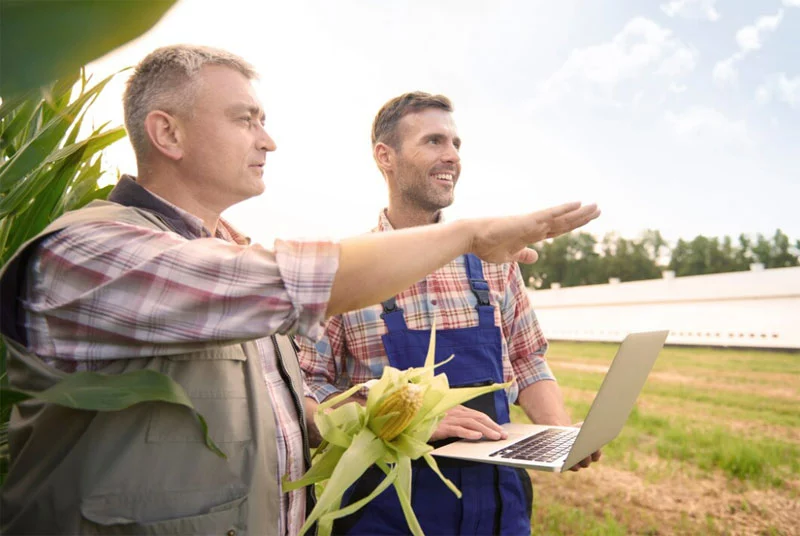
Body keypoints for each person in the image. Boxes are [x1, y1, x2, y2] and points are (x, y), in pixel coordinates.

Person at [0, 46, 599, 535]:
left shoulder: (227, 252)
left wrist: (361, 414)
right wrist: (469, 235)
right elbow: (291, 285)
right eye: (245, 119)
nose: (269, 141)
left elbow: (286, 413)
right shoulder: (90, 252)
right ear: (168, 133)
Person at [298, 92, 602, 535]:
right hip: (386, 508)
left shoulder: (496, 261)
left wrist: (558, 435)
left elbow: (527, 359)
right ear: (386, 156)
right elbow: (306, 385)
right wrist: (404, 419)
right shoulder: (348, 269)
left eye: (456, 144)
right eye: (434, 141)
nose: (452, 156)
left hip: (497, 504)